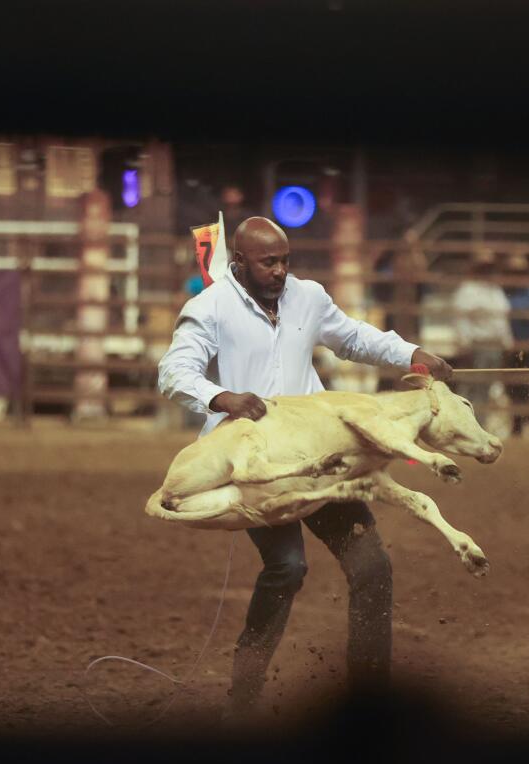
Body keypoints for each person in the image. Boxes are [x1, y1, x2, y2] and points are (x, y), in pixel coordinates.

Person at [157, 217, 452, 720]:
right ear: (240, 263)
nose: (280, 271)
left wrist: (410, 352)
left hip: (321, 455)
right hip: (254, 463)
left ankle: (369, 696)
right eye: (269, 262)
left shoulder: (307, 297)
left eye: (285, 260)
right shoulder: (209, 307)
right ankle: (245, 692)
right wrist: (219, 395)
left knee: (372, 567)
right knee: (287, 566)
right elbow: (175, 370)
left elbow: (354, 338)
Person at [451, 248, 513, 419]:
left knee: (485, 389)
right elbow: (461, 319)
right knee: (472, 388)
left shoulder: (495, 290)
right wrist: (464, 344)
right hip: (476, 345)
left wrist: (507, 342)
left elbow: (502, 319)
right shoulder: (468, 290)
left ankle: (480, 425)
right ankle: (468, 425)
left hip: (494, 346)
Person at [501, 252, 529, 435]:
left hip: (526, 345)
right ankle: (520, 422)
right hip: (509, 345)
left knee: (524, 385)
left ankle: (526, 422)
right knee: (510, 386)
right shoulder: (505, 291)